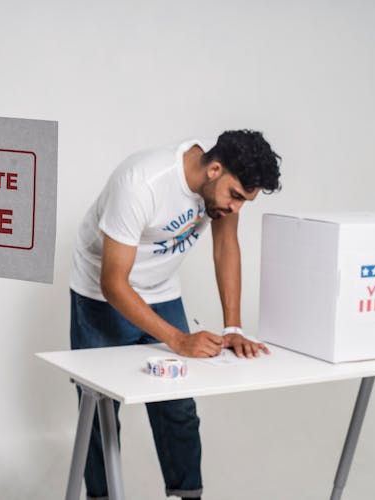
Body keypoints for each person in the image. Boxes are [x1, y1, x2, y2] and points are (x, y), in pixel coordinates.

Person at [69, 130, 282, 499]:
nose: (235, 208)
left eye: (245, 202)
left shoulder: (221, 193)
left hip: (162, 290)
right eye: (235, 196)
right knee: (100, 416)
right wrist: (179, 340)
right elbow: (114, 284)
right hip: (102, 295)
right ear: (214, 169)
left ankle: (186, 496)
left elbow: (226, 246)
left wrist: (232, 326)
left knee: (179, 408)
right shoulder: (141, 183)